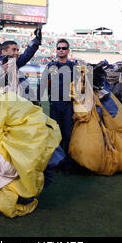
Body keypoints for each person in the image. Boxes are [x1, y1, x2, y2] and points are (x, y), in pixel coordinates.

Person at [39, 39, 77, 174]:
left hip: (68, 104)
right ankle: (58, 162)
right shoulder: (51, 66)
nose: (61, 50)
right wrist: (36, 99)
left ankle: (68, 163)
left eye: (64, 48)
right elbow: (43, 83)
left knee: (68, 134)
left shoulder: (73, 66)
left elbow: (81, 86)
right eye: (59, 48)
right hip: (54, 103)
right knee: (56, 134)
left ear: (68, 50)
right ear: (56, 50)